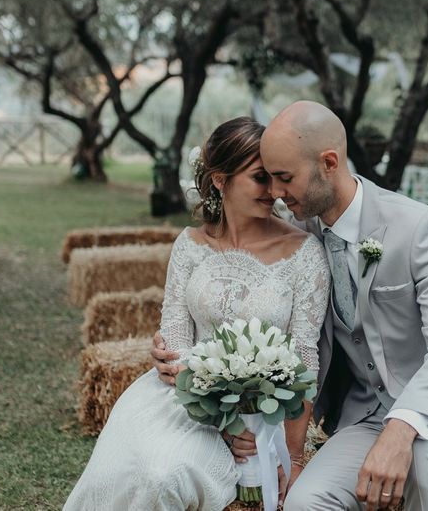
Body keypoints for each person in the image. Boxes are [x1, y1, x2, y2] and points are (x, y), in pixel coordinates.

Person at [154, 101, 428, 511]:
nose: (275, 193)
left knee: (425, 451)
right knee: (304, 503)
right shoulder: (300, 238)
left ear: (328, 162)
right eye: (268, 178)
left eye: (284, 178)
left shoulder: (419, 227)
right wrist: (180, 347)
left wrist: (402, 429)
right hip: (364, 417)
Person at [65, 117, 330, 510]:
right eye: (260, 177)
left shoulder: (305, 254)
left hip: (265, 417)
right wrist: (223, 420)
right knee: (125, 472)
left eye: (277, 177)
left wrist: (291, 455)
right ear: (220, 180)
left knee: (163, 478)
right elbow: (174, 346)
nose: (274, 191)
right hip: (182, 401)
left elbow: (306, 360)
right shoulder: (188, 246)